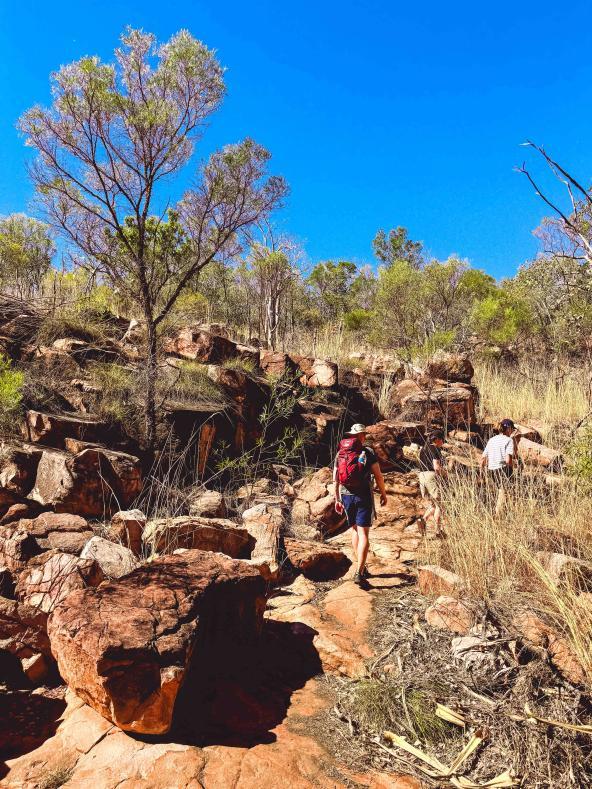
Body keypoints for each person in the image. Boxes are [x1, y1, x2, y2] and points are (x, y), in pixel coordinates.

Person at [333, 423, 388, 586]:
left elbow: (336, 478)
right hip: (363, 495)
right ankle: (359, 571)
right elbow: (378, 476)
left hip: (346, 495)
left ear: (351, 435)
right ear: (362, 436)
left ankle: (361, 566)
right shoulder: (368, 452)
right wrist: (383, 493)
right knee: (364, 534)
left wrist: (337, 498)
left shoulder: (341, 453)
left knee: (355, 531)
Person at [480, 418, 517, 515]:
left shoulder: (492, 440)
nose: (512, 432)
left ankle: (508, 512)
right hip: (503, 469)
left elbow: (483, 458)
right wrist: (512, 468)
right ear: (508, 429)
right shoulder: (509, 440)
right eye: (512, 429)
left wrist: (481, 473)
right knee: (503, 492)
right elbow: (508, 460)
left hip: (491, 469)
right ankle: (497, 515)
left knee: (503, 491)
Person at [417, 430, 446, 535]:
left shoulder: (423, 449)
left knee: (433, 504)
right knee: (440, 505)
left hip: (422, 476)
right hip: (431, 476)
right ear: (437, 439)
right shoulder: (435, 448)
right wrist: (445, 474)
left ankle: (422, 520)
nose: (442, 442)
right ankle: (438, 531)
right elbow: (436, 467)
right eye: (442, 440)